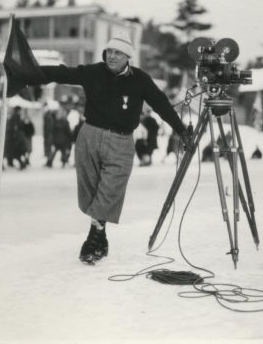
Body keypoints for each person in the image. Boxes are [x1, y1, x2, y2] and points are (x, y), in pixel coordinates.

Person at [38, 35, 191, 264]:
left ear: (128, 56)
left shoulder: (140, 79)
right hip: (89, 136)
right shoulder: (93, 72)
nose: (112, 56)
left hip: (121, 141)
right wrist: (28, 72)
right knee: (90, 191)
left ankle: (92, 239)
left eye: (118, 53)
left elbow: (161, 104)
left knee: (109, 189)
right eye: (109, 51)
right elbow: (61, 73)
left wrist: (180, 129)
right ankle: (101, 236)